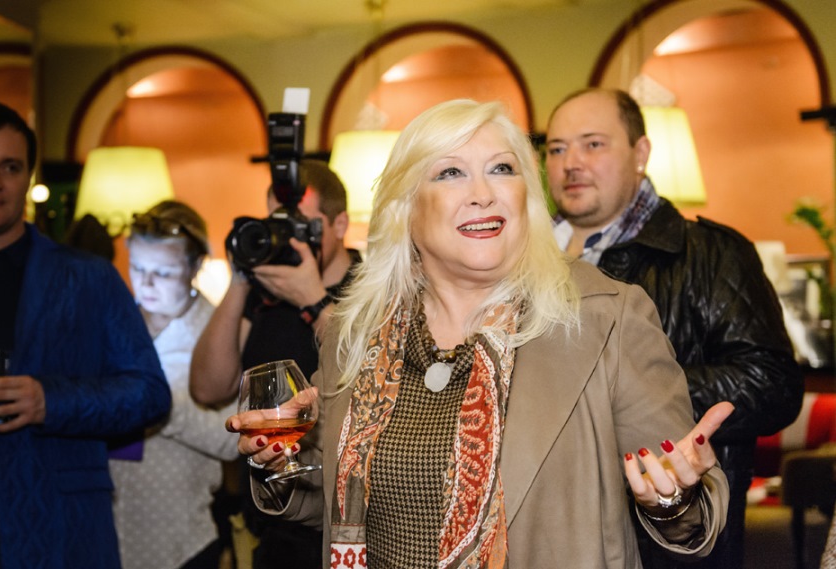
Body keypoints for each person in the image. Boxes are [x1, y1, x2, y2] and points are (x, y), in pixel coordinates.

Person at [227, 99, 732, 568]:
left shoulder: (607, 317)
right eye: (451, 173)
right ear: (406, 208)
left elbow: (687, 502)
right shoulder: (354, 331)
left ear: (526, 196)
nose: (483, 193)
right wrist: (278, 463)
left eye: (502, 169)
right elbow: (335, 499)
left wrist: (673, 500)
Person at [545, 87, 804, 568]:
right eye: (556, 149)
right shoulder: (514, 259)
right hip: (548, 532)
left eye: (593, 144)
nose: (571, 163)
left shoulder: (710, 253)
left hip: (673, 537)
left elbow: (772, 384)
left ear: (640, 153)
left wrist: (632, 394)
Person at [0, 101, 170, 569]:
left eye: (9, 167)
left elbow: (149, 393)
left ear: (29, 176)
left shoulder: (88, 278)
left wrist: (50, 400)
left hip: (57, 530)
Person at [190, 159, 362, 568]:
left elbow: (367, 373)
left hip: (342, 522)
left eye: (299, 224)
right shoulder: (264, 291)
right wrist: (241, 280)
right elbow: (208, 388)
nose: (287, 236)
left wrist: (313, 300)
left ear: (339, 224)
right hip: (272, 517)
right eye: (275, 223)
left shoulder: (371, 285)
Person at [110, 200, 239, 569]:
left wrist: (155, 407)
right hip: (108, 530)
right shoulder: (115, 324)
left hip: (182, 539)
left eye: (163, 273)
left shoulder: (216, 333)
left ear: (195, 266)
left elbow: (233, 440)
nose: (146, 283)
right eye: (138, 268)